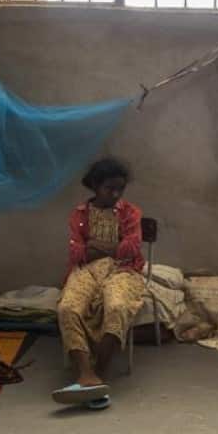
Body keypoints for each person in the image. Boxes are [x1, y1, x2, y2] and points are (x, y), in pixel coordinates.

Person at [52, 157, 146, 410]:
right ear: (94, 186)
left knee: (117, 306)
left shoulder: (131, 213)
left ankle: (98, 374)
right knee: (68, 308)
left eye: (120, 189)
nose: (115, 194)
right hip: (86, 270)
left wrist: (95, 246)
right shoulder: (79, 214)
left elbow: (131, 248)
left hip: (123, 270)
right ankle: (85, 374)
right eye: (109, 188)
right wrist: (112, 247)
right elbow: (77, 253)